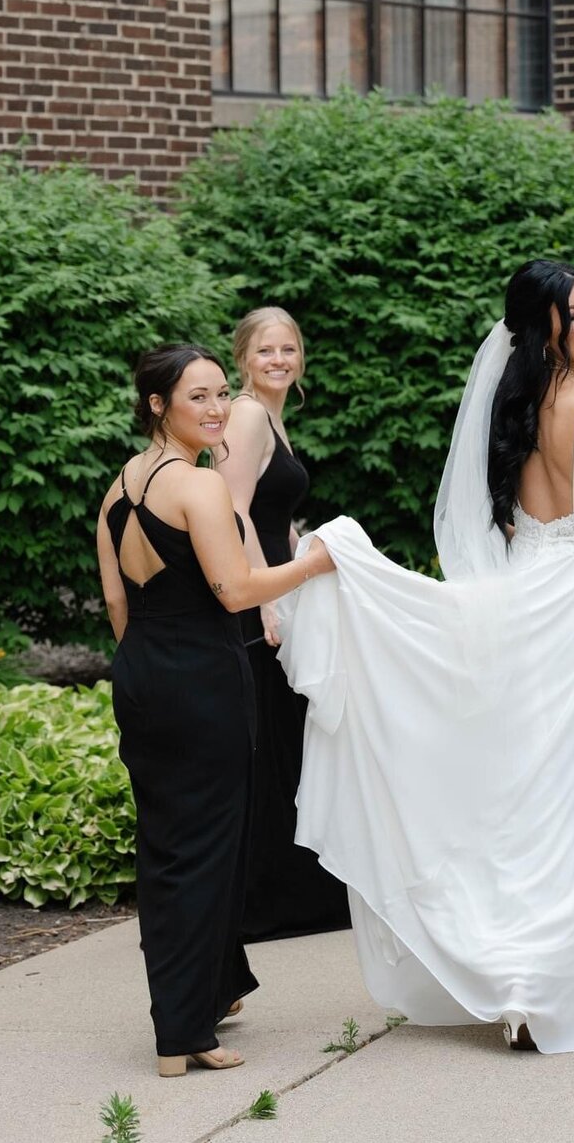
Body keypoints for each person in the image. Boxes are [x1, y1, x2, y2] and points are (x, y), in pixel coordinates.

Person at [274, 260, 574, 1053]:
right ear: (549, 326)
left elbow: (519, 517)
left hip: (532, 595)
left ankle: (518, 973)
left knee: (533, 787)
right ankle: (557, 978)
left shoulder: (515, 405)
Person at [96, 344, 335, 1077]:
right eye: (196, 396)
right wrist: (320, 561)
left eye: (220, 393)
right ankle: (184, 1031)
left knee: (167, 848)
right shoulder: (197, 488)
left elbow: (115, 602)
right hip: (203, 677)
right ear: (157, 405)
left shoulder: (117, 489)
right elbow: (237, 591)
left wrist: (151, 666)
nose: (215, 407)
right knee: (207, 850)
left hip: (143, 673)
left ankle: (194, 1006)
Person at [219, 308, 350, 942]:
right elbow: (233, 509)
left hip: (275, 580)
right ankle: (267, 901)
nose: (279, 360)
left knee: (284, 734)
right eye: (266, 350)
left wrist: (304, 551)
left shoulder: (273, 417)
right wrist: (263, 598)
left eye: (289, 349)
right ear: (244, 357)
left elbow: (272, 513)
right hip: (253, 593)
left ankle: (294, 891)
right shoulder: (245, 415)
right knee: (268, 740)